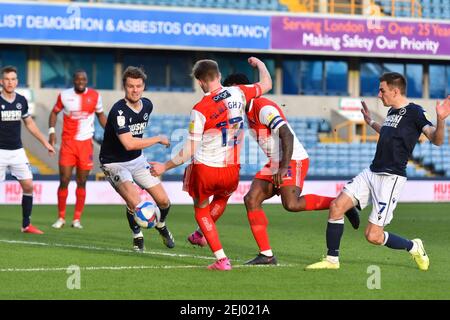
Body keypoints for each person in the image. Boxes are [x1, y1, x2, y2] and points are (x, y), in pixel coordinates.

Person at [188, 73, 358, 266]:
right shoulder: (244, 112)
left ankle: (343, 204)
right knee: (251, 199)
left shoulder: (262, 107)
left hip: (292, 158)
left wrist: (284, 167)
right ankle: (266, 255)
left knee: (291, 204)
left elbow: (287, 135)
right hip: (275, 162)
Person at [306, 72, 450, 270]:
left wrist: (441, 119)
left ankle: (414, 246)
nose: (379, 95)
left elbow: (437, 139)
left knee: (373, 236)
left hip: (390, 178)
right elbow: (388, 132)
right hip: (371, 172)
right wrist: (370, 122)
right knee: (336, 207)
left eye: (382, 90)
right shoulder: (392, 112)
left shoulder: (415, 112)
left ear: (395, 90)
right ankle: (332, 260)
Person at [150, 57, 272, 271]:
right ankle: (199, 235)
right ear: (218, 76)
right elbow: (267, 84)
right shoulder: (239, 92)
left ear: (199, 81)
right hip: (232, 169)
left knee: (201, 210)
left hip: (206, 168)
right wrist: (260, 65)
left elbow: (188, 150)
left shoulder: (200, 109)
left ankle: (221, 259)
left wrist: (164, 166)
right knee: (223, 196)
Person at [99, 66, 175, 252]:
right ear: (124, 87)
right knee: (136, 203)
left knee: (164, 201)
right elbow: (129, 144)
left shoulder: (147, 105)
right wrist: (157, 138)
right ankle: (137, 235)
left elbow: (135, 145)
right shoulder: (119, 112)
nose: (135, 90)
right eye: (130, 86)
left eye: (138, 86)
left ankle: (161, 225)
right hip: (114, 163)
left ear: (143, 86)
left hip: (137, 160)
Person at [0, 65, 55, 234]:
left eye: (13, 79)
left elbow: (30, 124)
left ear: (17, 82)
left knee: (29, 186)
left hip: (17, 151)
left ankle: (26, 225)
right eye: (7, 79)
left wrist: (45, 143)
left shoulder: (21, 101)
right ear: (1, 81)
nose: (10, 82)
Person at [49, 70, 107, 229]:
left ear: (87, 81)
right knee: (64, 180)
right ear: (74, 80)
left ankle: (76, 219)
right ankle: (61, 217)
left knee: (82, 182)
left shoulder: (95, 96)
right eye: (78, 79)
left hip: (85, 145)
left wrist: (111, 131)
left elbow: (101, 115)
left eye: (84, 79)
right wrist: (51, 131)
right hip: (68, 144)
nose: (81, 81)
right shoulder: (64, 95)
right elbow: (54, 113)